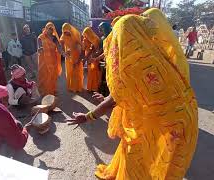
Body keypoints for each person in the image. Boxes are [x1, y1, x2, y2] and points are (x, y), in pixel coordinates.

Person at [67, 9, 198, 180]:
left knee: (137, 164)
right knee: (160, 164)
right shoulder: (155, 55)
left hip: (164, 124)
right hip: (184, 121)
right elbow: (131, 96)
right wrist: (116, 100)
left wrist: (88, 116)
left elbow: (115, 98)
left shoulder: (132, 63)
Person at [37, 22, 64, 96]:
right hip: (44, 61)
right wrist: (40, 49)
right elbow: (39, 47)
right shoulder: (41, 37)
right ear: (46, 29)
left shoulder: (54, 38)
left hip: (53, 60)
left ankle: (52, 90)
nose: (51, 30)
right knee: (45, 76)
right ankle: (45, 92)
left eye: (52, 29)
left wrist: (65, 54)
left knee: (53, 75)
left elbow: (59, 49)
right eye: (49, 29)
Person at [60, 23, 83, 93]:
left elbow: (79, 49)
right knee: (69, 72)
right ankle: (71, 86)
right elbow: (61, 46)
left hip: (76, 57)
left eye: (67, 31)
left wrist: (78, 61)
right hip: (68, 58)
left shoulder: (76, 35)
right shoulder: (63, 36)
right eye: (64, 31)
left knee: (76, 73)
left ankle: (77, 88)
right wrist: (64, 53)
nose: (66, 33)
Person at [82, 27, 101, 92]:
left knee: (94, 71)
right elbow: (84, 48)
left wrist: (89, 57)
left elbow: (96, 50)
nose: (85, 36)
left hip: (94, 57)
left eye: (86, 34)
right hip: (89, 57)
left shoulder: (95, 39)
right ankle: (90, 87)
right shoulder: (87, 39)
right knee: (90, 72)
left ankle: (94, 88)